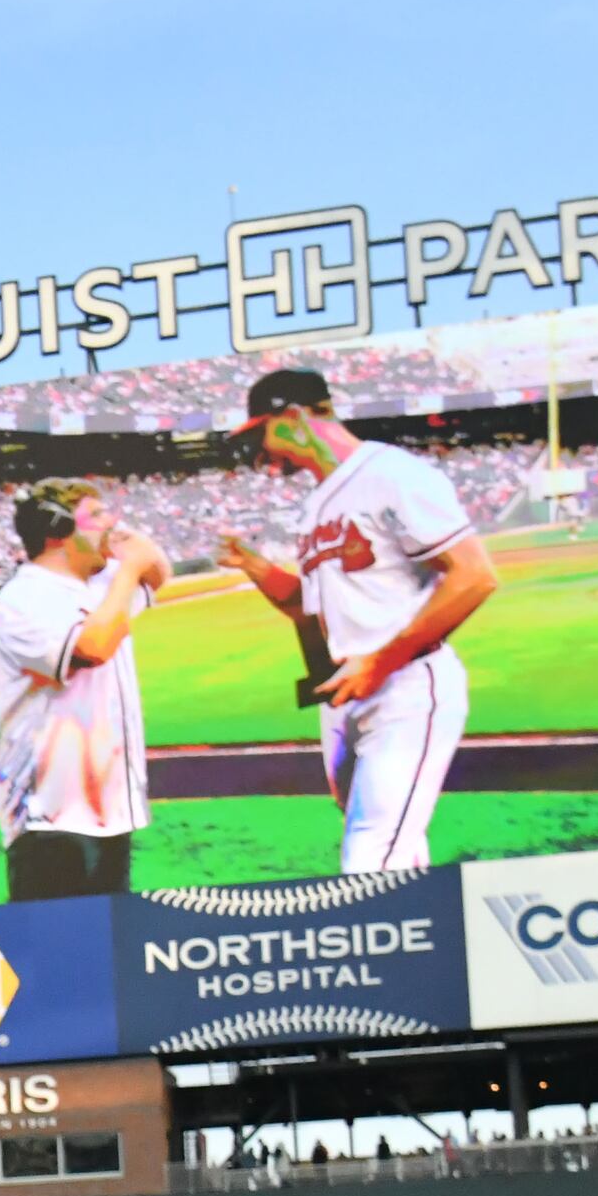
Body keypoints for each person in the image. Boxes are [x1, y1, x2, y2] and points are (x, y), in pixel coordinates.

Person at [216, 368, 502, 872]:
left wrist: (382, 662)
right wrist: (257, 568)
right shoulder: (316, 505)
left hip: (406, 688)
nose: (261, 451)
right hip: (346, 694)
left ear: (295, 417)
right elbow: (307, 608)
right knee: (394, 851)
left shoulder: (393, 474)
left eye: (262, 431)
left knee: (370, 861)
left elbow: (474, 577)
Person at [0, 481, 168, 901]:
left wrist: (132, 554)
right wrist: (129, 569)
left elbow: (158, 574)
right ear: (57, 529)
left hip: (108, 812)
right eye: (97, 515)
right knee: (56, 956)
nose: (111, 523)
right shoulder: (24, 597)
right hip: (50, 819)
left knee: (107, 955)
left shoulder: (98, 590)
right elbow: (95, 646)